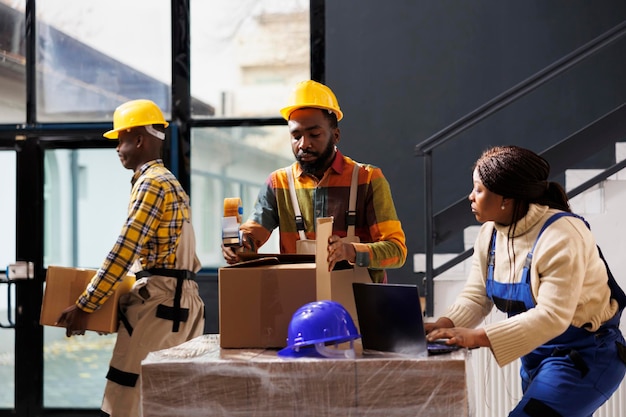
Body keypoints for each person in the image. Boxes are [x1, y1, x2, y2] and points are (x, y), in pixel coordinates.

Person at [425, 145, 626, 417]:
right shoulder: (489, 234)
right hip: (537, 355)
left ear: (506, 198)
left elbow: (553, 316)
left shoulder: (562, 235)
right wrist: (444, 325)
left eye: (479, 189)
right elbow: (476, 296)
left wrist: (476, 337)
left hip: (586, 356)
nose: (470, 197)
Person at [56, 99, 205, 417]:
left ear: (138, 139)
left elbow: (124, 250)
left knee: (128, 397)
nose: (117, 148)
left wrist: (86, 305)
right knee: (167, 400)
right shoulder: (169, 183)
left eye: (120, 139)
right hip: (176, 304)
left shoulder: (152, 184)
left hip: (163, 305)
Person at [222, 80, 407, 282]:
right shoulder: (278, 184)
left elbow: (396, 251)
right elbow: (252, 236)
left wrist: (348, 251)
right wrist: (237, 246)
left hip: (360, 307)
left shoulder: (368, 179)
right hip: (299, 302)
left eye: (314, 134)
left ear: (335, 135)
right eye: (296, 136)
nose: (304, 144)